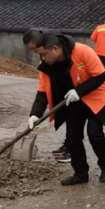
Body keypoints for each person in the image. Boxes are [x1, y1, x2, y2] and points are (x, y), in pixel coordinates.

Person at [28, 33, 105, 186]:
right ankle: (80, 173)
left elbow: (100, 76)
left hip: (95, 97)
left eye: (44, 54)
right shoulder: (47, 66)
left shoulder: (83, 51)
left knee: (94, 133)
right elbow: (42, 93)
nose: (42, 58)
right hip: (73, 102)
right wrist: (34, 115)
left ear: (55, 48)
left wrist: (79, 91)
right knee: (72, 137)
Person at [22, 29, 71, 163]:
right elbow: (42, 92)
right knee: (68, 118)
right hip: (66, 95)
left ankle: (70, 149)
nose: (36, 54)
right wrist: (34, 114)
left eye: (36, 50)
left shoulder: (67, 56)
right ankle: (69, 146)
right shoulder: (45, 63)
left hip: (81, 95)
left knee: (76, 122)